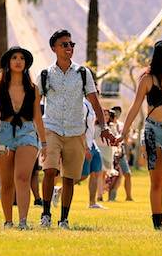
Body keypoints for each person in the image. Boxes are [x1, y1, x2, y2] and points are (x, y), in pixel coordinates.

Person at [38, 29, 110, 230]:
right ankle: (45, 214)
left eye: (71, 44)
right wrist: (38, 131)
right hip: (51, 128)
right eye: (64, 44)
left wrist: (103, 127)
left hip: (76, 131)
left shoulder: (83, 73)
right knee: (50, 170)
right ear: (54, 48)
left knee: (70, 177)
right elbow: (36, 103)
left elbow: (94, 101)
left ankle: (64, 219)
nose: (69, 48)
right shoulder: (45, 75)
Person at [120, 39, 162, 231]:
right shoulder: (147, 79)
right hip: (152, 131)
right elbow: (135, 107)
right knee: (157, 180)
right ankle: (158, 224)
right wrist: (124, 133)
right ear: (159, 57)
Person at [0, 46, 47, 229]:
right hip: (4, 134)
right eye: (14, 57)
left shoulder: (33, 88)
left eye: (22, 58)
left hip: (27, 133)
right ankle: (8, 221)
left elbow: (38, 117)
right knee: (6, 182)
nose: (18, 61)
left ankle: (23, 221)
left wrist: (44, 142)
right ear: (8, 62)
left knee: (22, 177)